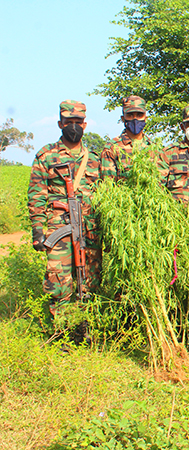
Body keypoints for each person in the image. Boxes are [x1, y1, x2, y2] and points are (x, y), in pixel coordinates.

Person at [27, 100, 101, 341]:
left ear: (85, 124)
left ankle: (84, 328)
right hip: (57, 226)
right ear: (60, 123)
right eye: (68, 122)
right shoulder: (47, 155)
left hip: (88, 228)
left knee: (88, 277)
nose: (73, 126)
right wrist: (38, 229)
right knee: (59, 278)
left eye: (78, 122)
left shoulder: (95, 159)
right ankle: (60, 333)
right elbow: (37, 194)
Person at [100, 95, 152, 182]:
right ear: (123, 119)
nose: (135, 119)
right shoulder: (112, 148)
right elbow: (108, 186)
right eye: (130, 115)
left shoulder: (153, 148)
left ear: (145, 118)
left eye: (139, 115)